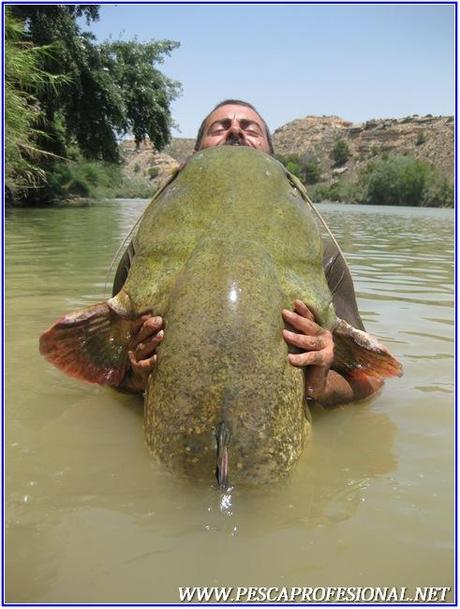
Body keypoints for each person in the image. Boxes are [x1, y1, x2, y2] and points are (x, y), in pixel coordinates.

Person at [113, 100, 383, 405]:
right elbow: (100, 367)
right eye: (220, 127)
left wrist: (322, 384)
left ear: (272, 158)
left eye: (250, 128)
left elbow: (373, 377)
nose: (236, 130)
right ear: (196, 154)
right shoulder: (146, 247)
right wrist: (135, 376)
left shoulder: (323, 254)